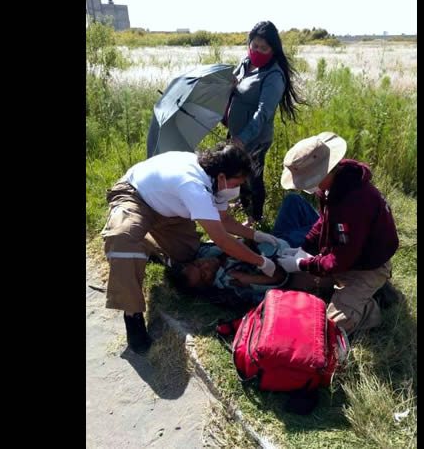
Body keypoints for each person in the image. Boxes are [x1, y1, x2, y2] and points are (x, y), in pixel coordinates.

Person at [101, 143, 282, 354]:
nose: (239, 187)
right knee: (124, 240)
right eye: (238, 181)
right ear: (223, 176)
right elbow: (223, 240)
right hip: (136, 196)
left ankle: (148, 243)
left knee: (187, 257)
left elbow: (224, 220)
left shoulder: (215, 181)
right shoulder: (193, 185)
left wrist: (256, 235)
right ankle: (132, 314)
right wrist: (262, 262)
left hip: (169, 209)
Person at [275, 132, 400, 335]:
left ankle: (370, 306)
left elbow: (340, 260)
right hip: (347, 255)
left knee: (332, 327)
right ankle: (350, 290)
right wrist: (303, 248)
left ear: (324, 172)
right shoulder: (332, 186)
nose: (306, 186)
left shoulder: (353, 202)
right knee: (295, 283)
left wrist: (302, 263)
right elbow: (323, 221)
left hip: (369, 266)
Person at [224, 20, 302, 227]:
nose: (257, 51)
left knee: (253, 176)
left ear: (273, 49)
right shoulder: (245, 62)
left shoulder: (274, 75)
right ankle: (242, 203)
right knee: (237, 169)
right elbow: (237, 91)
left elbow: (264, 113)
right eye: (254, 45)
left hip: (255, 137)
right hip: (235, 131)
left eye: (263, 48)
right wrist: (231, 85)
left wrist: (243, 138)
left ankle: (255, 216)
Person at [165, 238, 290, 306]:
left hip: (276, 239)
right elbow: (278, 277)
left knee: (292, 201)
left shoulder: (206, 252)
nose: (206, 265)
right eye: (204, 274)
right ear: (206, 285)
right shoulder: (232, 280)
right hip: (288, 254)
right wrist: (252, 259)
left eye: (199, 264)